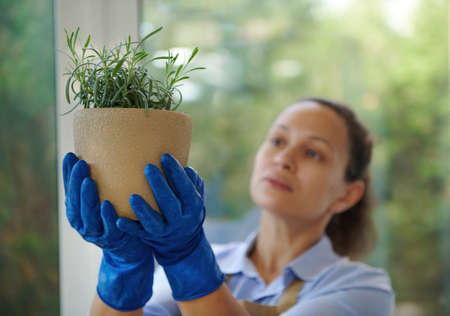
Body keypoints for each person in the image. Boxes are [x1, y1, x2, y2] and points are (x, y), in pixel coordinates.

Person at [63, 97, 395, 316]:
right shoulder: (198, 264)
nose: (283, 159)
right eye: (277, 141)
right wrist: (124, 267)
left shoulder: (362, 290)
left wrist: (187, 258)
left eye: (312, 153)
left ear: (347, 195)